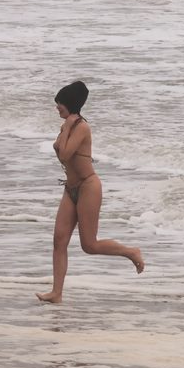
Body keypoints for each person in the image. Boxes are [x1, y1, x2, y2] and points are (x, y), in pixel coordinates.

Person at [37, 81, 144, 303]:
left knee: (90, 245)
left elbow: (65, 154)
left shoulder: (81, 127)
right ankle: (56, 293)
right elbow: (62, 154)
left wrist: (66, 128)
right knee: (59, 239)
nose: (57, 107)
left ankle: (131, 252)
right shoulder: (67, 125)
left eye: (60, 104)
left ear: (70, 104)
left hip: (88, 187)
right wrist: (65, 128)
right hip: (71, 188)